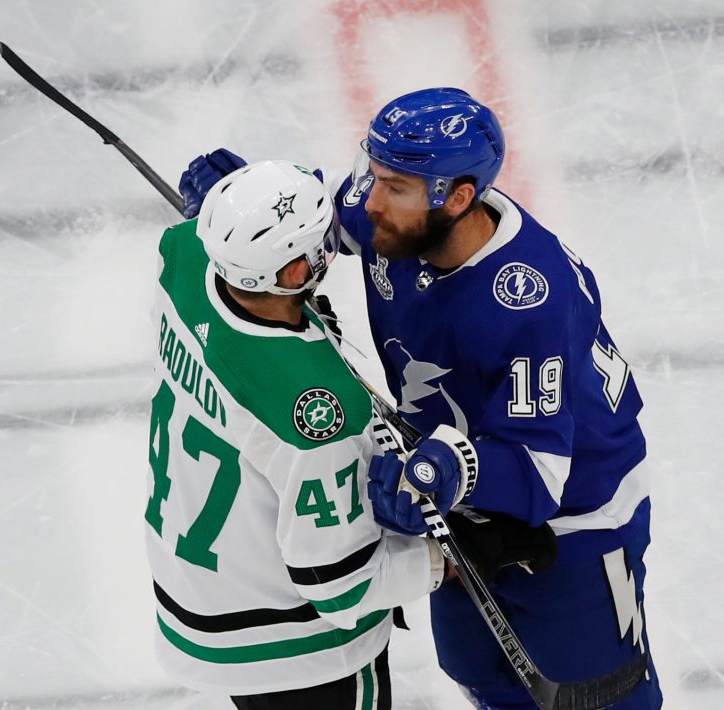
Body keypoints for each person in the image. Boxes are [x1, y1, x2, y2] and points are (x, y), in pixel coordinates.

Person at [179, 88, 663, 709]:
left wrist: (446, 468)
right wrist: (252, 223)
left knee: (591, 698)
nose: (368, 201)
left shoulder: (525, 301)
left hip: (575, 522)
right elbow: (309, 223)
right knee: (479, 673)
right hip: (457, 492)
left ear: (458, 198)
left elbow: (539, 470)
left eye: (396, 187)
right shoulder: (403, 215)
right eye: (374, 174)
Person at [146, 158, 490, 710]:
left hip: (205, 589)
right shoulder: (318, 418)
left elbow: (205, 245)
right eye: (321, 241)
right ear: (290, 274)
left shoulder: (185, 258)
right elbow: (343, 586)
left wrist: (243, 209)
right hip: (294, 647)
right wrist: (450, 561)